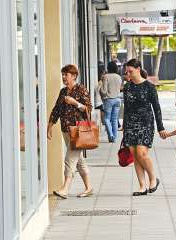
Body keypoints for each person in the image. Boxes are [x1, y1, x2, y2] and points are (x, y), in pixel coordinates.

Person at [47, 64, 93, 199]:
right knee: (78, 160)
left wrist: (74, 103)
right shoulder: (63, 92)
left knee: (70, 159)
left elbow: (88, 108)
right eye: (62, 75)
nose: (63, 77)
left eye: (66, 75)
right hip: (66, 130)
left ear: (73, 76)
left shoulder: (81, 90)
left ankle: (65, 188)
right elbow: (56, 110)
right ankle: (88, 187)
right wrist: (49, 126)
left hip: (78, 130)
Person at [123, 59, 167, 196]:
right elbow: (126, 108)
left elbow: (157, 108)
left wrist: (161, 128)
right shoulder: (127, 87)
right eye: (127, 71)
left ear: (138, 69)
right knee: (135, 155)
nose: (128, 74)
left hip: (146, 123)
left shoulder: (149, 87)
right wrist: (124, 126)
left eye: (130, 71)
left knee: (142, 153)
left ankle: (153, 178)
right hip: (130, 123)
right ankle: (142, 186)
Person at [100, 61, 122, 142]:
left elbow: (104, 91)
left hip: (109, 100)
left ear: (108, 68)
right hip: (118, 100)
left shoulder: (106, 76)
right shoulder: (118, 77)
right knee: (115, 119)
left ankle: (111, 135)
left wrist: (100, 86)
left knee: (106, 119)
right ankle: (114, 138)